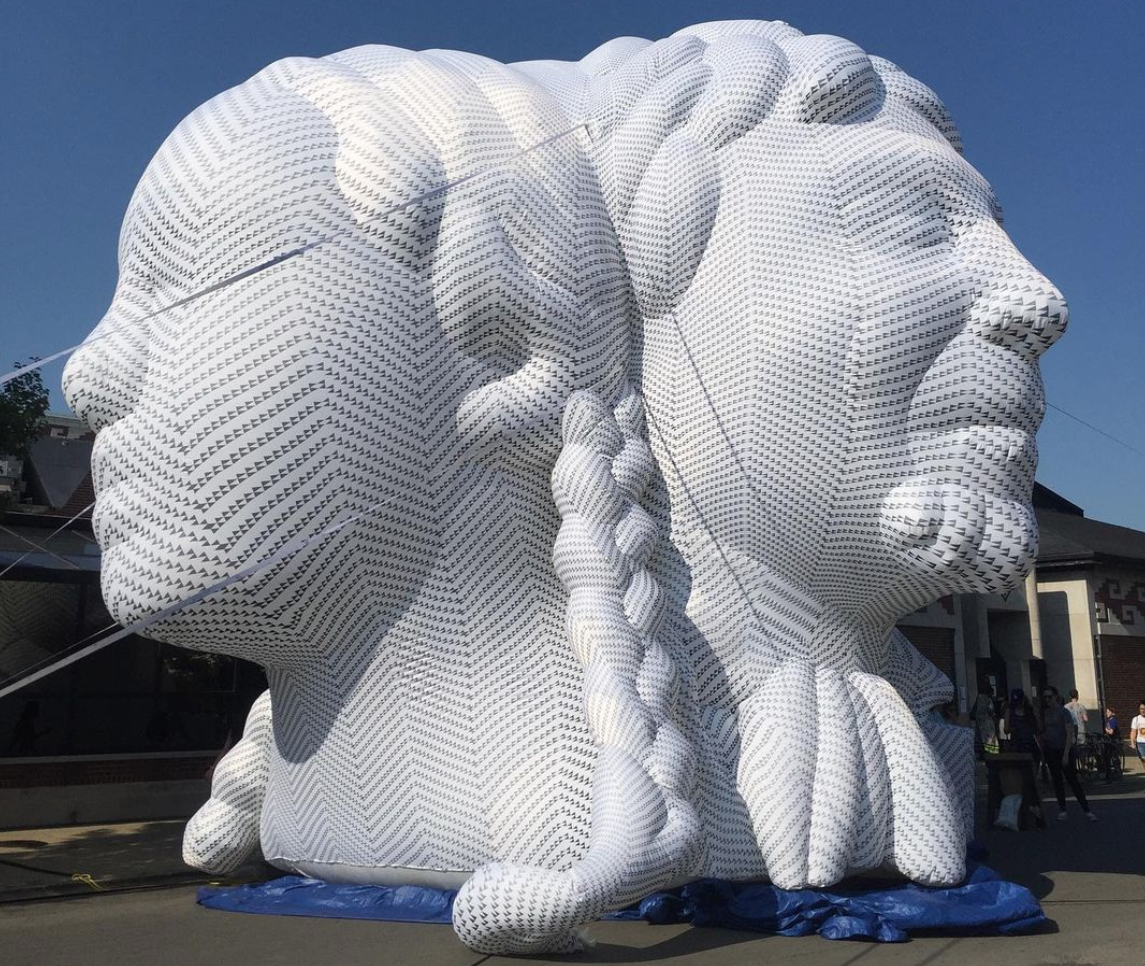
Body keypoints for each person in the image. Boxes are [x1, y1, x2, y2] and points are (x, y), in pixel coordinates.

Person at [1041, 688, 1096, 820]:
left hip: (1064, 749)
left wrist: (1066, 753)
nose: (1047, 700)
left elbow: (1069, 732)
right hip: (1051, 749)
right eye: (1045, 697)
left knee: (1072, 780)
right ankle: (1062, 809)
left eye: (1049, 697)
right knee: (1057, 780)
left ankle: (1086, 809)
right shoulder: (1046, 713)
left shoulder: (1064, 712)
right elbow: (1044, 730)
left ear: (1056, 697)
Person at [1131, 702, 1145, 773]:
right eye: (1141, 709)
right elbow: (1133, 731)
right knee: (1143, 759)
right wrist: (1132, 742)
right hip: (1140, 743)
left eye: (1144, 709)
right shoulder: (1136, 719)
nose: (1143, 710)